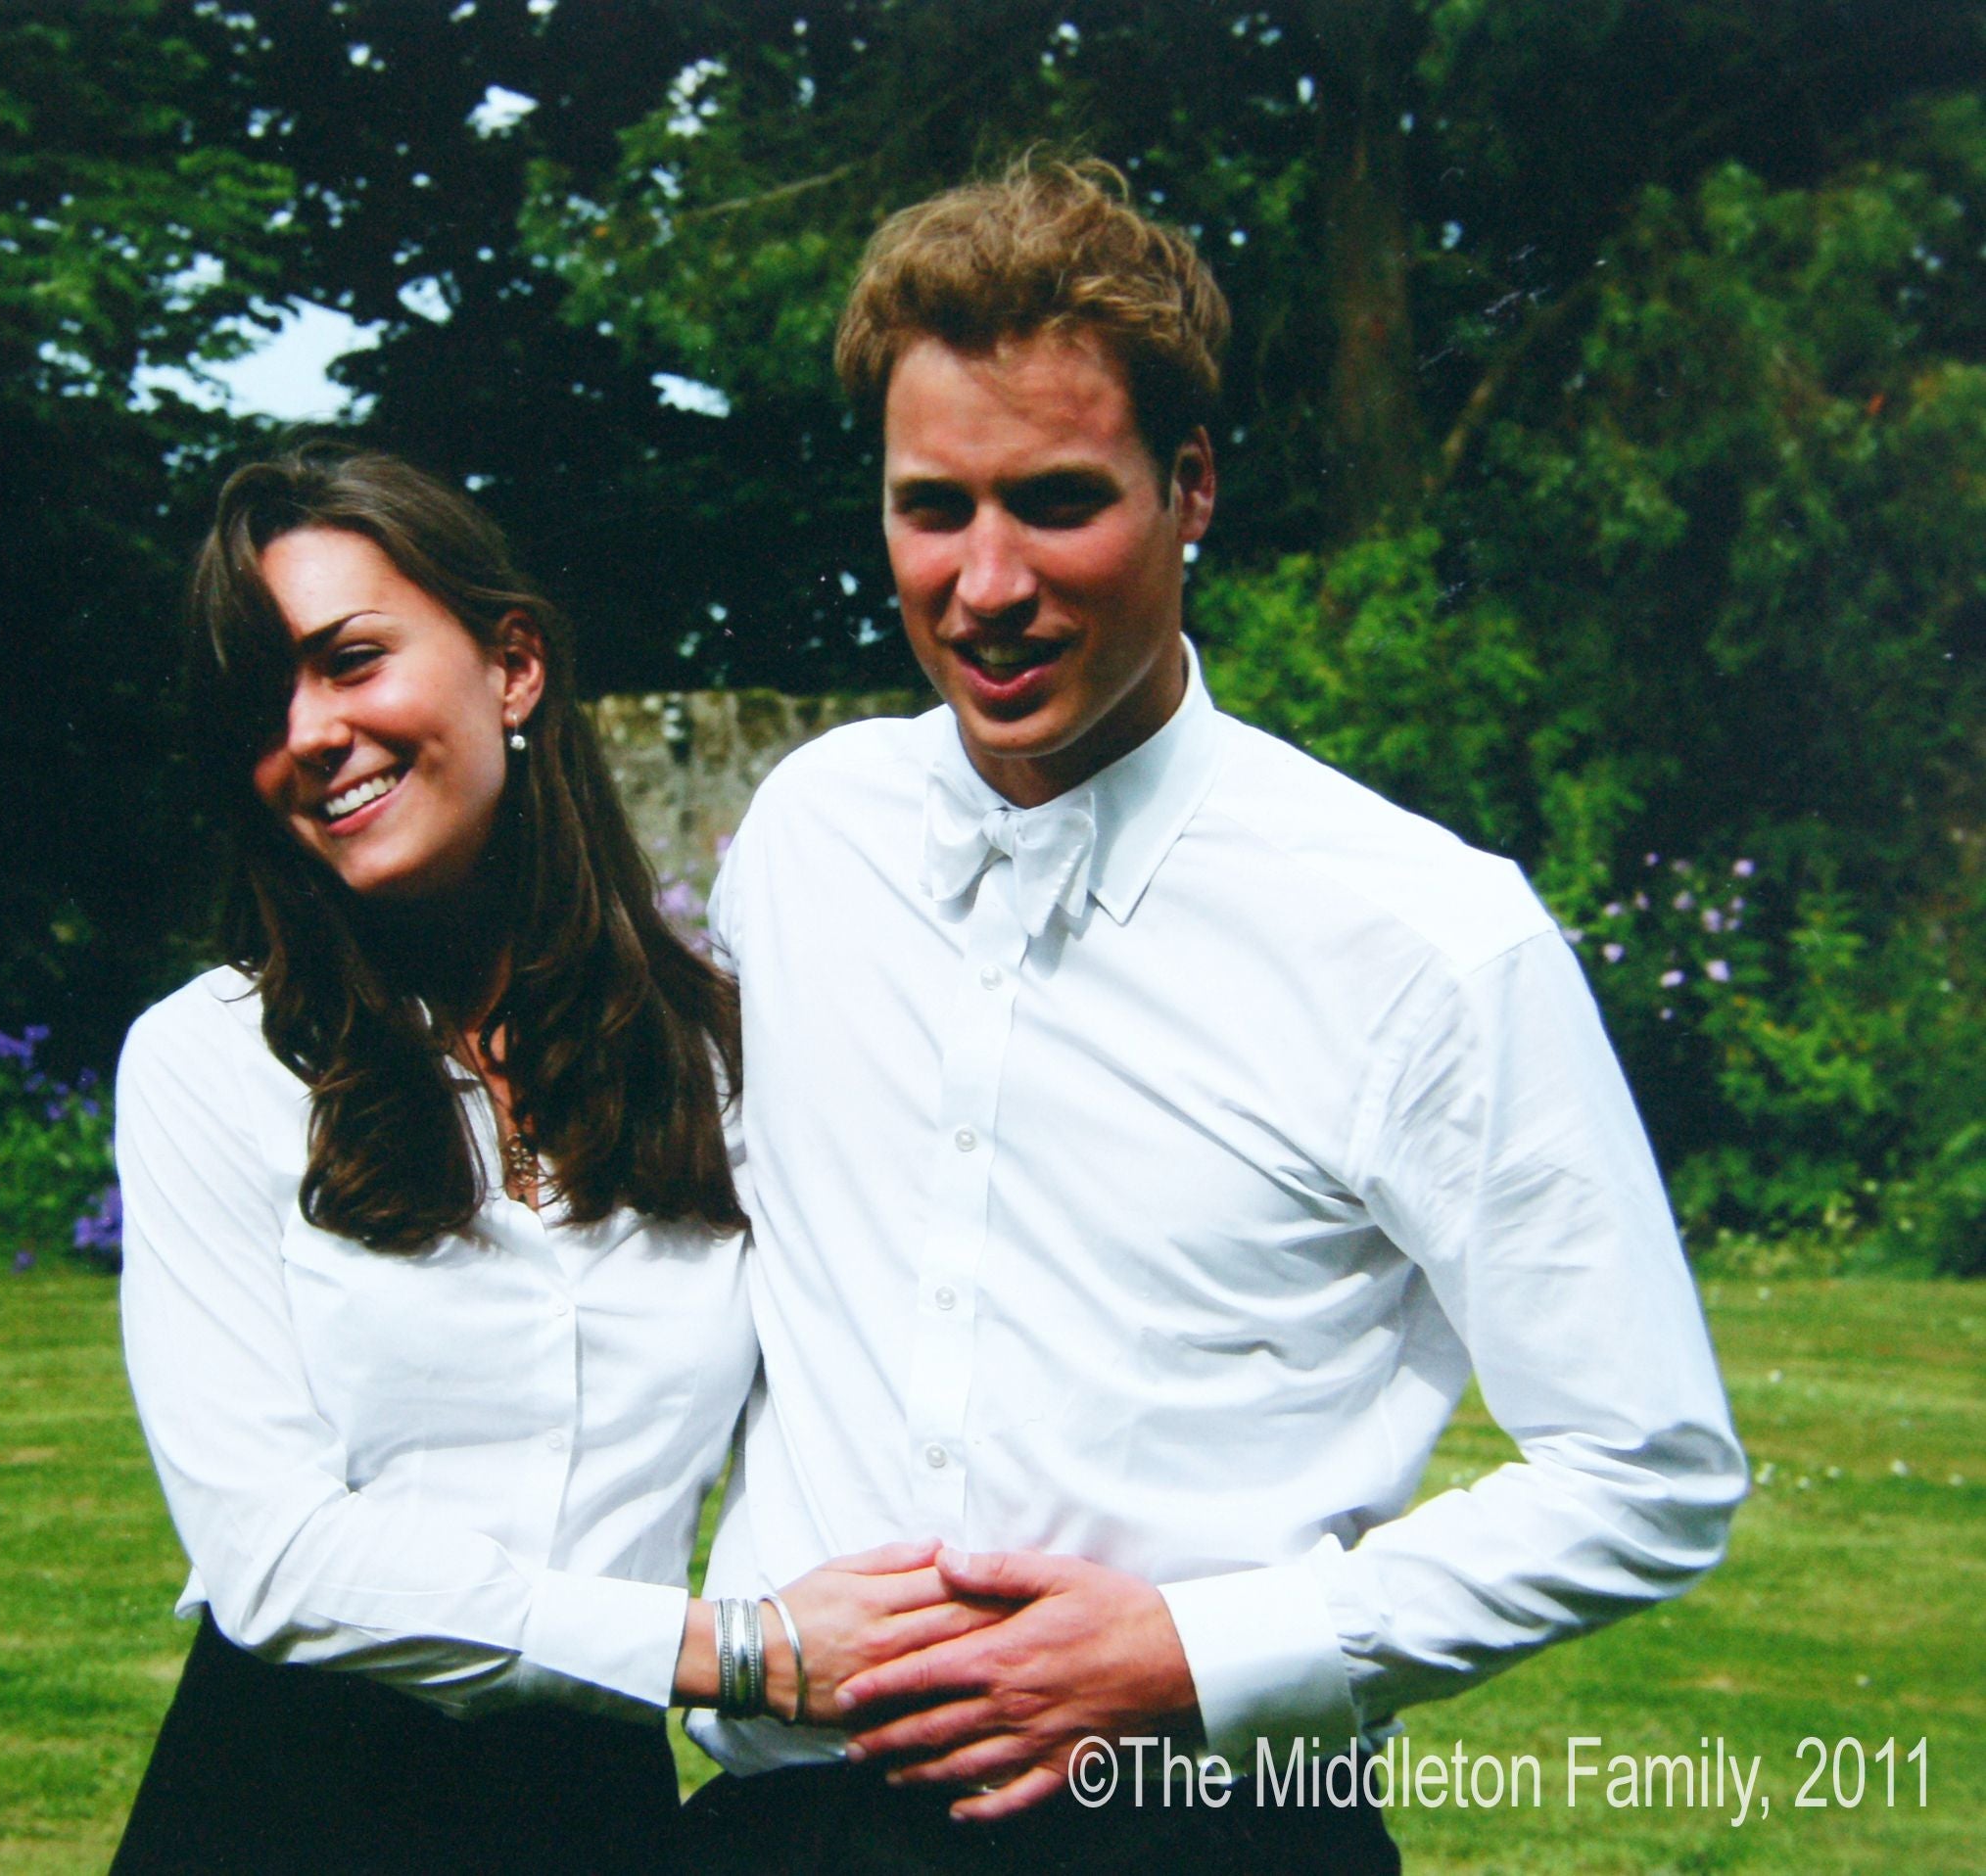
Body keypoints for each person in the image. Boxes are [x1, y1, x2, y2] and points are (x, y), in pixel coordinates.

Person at [681, 159, 1749, 1873]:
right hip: (781, 1823)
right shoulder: (812, 837)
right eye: (933, 507)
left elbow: (1649, 1469)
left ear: (1191, 490)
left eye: (1056, 498)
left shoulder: (1421, 934)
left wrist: (1198, 1654)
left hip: (1196, 1824)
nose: (988, 580)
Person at [108, 446, 983, 1875]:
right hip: (280, 1809)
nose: (310, 732)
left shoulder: (726, 1066)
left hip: (596, 1823)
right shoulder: (213, 1063)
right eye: (261, 700)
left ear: (513, 668)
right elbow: (270, 1561)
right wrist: (728, 1652)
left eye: (349, 660)